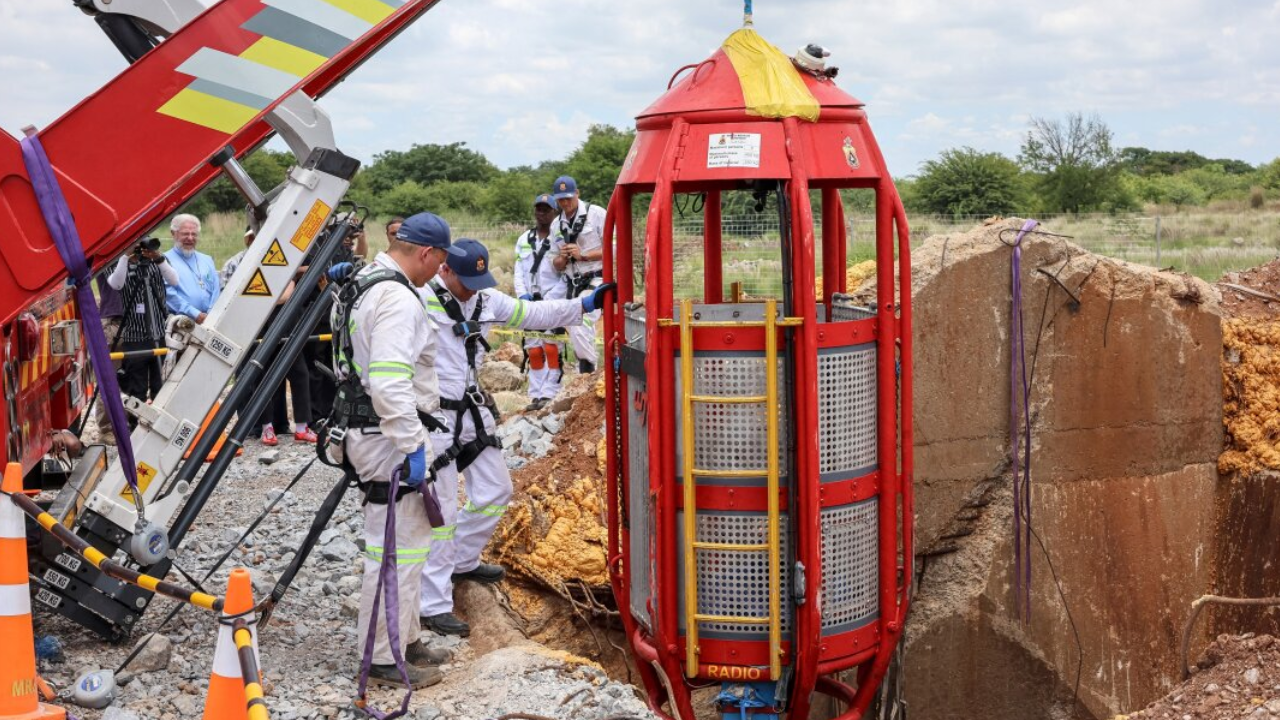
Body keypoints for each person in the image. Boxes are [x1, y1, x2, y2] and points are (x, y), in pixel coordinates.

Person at [418, 239, 615, 637]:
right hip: (433, 415)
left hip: (470, 410)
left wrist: (586, 304)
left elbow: (534, 313)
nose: (474, 289)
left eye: (479, 280)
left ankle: (463, 559)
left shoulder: (486, 298)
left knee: (495, 490)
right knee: (442, 514)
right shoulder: (418, 298)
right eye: (466, 281)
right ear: (446, 271)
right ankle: (432, 604)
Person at [332, 211, 457, 688]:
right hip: (388, 439)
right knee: (395, 550)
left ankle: (405, 637)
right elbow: (388, 382)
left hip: (368, 432)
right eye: (438, 263)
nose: (436, 275)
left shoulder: (363, 282)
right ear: (426, 253)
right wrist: (413, 445)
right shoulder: (399, 299)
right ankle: (384, 657)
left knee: (408, 543)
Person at [107, 237, 179, 409]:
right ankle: (134, 427)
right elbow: (116, 284)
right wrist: (125, 256)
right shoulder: (117, 261)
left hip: (160, 333)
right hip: (135, 335)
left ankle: (160, 422)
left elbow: (174, 280)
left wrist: (158, 258)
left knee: (161, 386)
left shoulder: (156, 260)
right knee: (136, 389)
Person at [514, 194, 568, 411]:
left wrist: (549, 299)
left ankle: (550, 393)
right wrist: (522, 295)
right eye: (539, 209)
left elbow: (567, 276)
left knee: (552, 348)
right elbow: (518, 270)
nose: (542, 213)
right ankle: (536, 395)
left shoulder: (561, 240)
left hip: (552, 302)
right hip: (529, 303)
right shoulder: (523, 239)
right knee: (534, 350)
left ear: (555, 212)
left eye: (547, 209)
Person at [550, 175, 608, 374]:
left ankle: (588, 371)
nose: (565, 203)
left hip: (596, 277)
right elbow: (555, 264)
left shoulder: (597, 214)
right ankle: (563, 377)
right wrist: (563, 257)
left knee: (579, 320)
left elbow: (616, 248)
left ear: (577, 193)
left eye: (568, 198)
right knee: (545, 314)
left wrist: (583, 255)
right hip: (570, 282)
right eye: (560, 199)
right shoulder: (556, 225)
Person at [164, 214, 220, 324]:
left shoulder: (207, 259)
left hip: (211, 321)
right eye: (185, 234)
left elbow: (216, 289)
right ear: (173, 234)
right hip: (181, 323)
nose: (190, 238)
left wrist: (211, 314)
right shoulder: (164, 261)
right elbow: (168, 294)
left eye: (194, 234)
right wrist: (195, 314)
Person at [93, 269, 125, 445]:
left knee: (131, 376)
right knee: (109, 377)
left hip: (135, 320)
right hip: (113, 319)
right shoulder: (110, 253)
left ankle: (127, 423)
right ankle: (106, 428)